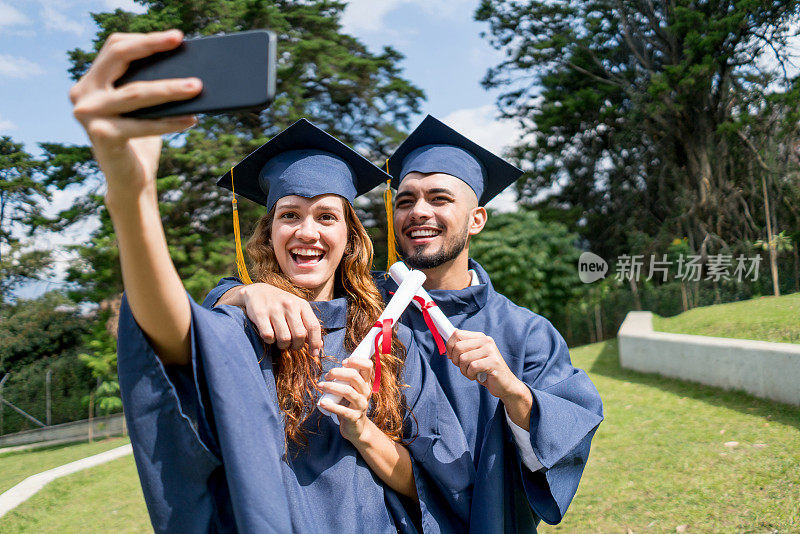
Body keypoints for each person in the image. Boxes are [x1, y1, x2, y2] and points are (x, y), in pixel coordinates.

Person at [69, 31, 472, 533]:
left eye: (327, 216)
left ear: (349, 237)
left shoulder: (394, 339)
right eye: (289, 215)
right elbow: (168, 331)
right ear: (269, 231)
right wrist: (132, 193)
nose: (307, 230)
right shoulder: (243, 330)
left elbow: (435, 485)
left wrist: (362, 429)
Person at [206, 115, 604, 531]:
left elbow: (563, 440)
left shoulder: (526, 333)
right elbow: (264, 291)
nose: (419, 212)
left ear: (477, 219)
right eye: (406, 200)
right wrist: (242, 293)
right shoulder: (366, 304)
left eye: (439, 199)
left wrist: (514, 393)